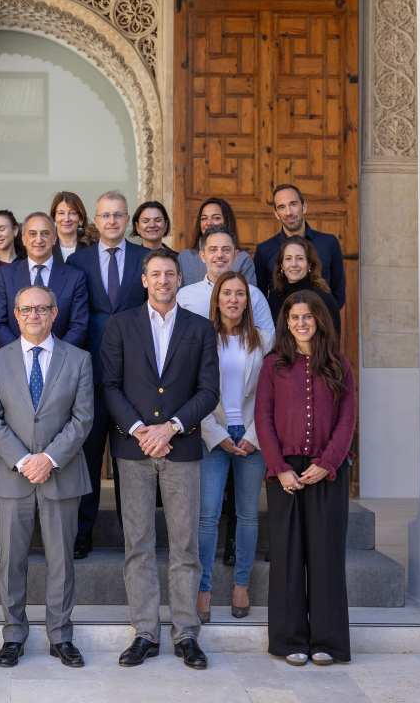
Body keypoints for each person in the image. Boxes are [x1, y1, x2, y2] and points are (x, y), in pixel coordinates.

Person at [100, 248, 218, 670]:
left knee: (185, 544)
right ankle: (145, 632)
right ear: (144, 280)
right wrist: (140, 430)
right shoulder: (121, 325)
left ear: (179, 280)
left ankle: (186, 633)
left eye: (170, 273)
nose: (164, 280)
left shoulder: (201, 329)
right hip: (132, 449)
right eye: (156, 274)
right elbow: (110, 385)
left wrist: (170, 427)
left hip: (181, 449)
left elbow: (208, 392)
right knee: (139, 544)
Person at [0, 285, 94, 669]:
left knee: (62, 560)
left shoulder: (78, 360)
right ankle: (13, 635)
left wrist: (48, 458)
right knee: (12, 560)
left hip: (61, 475)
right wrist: (23, 459)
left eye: (42, 309)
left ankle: (61, 635)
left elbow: (83, 419)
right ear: (15, 314)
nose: (34, 315)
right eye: (27, 309)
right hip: (13, 476)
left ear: (55, 312)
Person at [257, 290, 355, 667]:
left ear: (319, 321)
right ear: (287, 323)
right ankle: (289, 639)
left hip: (326, 472)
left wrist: (328, 462)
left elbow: (347, 420)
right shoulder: (273, 366)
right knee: (287, 556)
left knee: (326, 556)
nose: (301, 323)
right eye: (295, 317)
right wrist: (279, 466)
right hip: (284, 472)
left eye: (308, 317)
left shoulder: (339, 365)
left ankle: (328, 640)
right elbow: (263, 419)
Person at [67, 191, 150, 559]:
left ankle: (130, 536)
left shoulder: (144, 258)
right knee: (86, 457)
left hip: (134, 379)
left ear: (126, 219)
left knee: (129, 462)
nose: (112, 221)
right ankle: (81, 533)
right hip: (89, 375)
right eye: (105, 215)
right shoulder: (78, 260)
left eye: (118, 215)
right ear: (95, 221)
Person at [196, 271, 274, 625]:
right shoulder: (200, 338)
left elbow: (270, 395)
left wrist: (254, 436)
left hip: (252, 435)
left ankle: (241, 585)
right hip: (213, 434)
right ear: (217, 299)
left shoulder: (265, 340)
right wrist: (217, 434)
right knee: (208, 516)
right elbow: (192, 393)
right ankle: (203, 587)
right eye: (226, 293)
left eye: (239, 294)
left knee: (246, 514)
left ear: (248, 300)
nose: (233, 299)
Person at [0, 212, 89, 349]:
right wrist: (21, 353)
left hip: (61, 360)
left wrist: (56, 354)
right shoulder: (5, 275)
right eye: (32, 234)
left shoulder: (75, 277)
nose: (38, 239)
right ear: (24, 239)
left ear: (54, 238)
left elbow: (79, 325)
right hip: (17, 360)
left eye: (45, 233)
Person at [254, 184, 346, 308]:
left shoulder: (329, 243)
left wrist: (321, 320)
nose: (288, 212)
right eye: (282, 207)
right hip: (280, 324)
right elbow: (260, 297)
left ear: (304, 207)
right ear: (276, 213)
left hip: (323, 323)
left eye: (293, 204)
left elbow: (338, 294)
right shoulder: (264, 250)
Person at [177, 226, 275, 333]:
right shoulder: (185, 296)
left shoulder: (253, 294)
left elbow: (268, 337)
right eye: (213, 250)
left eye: (226, 250)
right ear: (202, 256)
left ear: (235, 255)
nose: (219, 255)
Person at [266, 236, 342, 337]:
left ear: (309, 264)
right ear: (282, 265)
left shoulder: (323, 297)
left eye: (300, 258)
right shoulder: (274, 296)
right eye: (288, 258)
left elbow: (332, 340)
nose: (294, 264)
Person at [180, 198, 257, 287]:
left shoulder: (242, 259)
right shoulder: (184, 258)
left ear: (227, 221)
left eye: (216, 218)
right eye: (204, 218)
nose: (208, 223)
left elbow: (249, 295)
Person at [50, 191, 91, 262]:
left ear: (81, 218)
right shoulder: (46, 246)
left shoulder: (92, 247)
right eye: (61, 213)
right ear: (54, 217)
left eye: (72, 213)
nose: (66, 219)